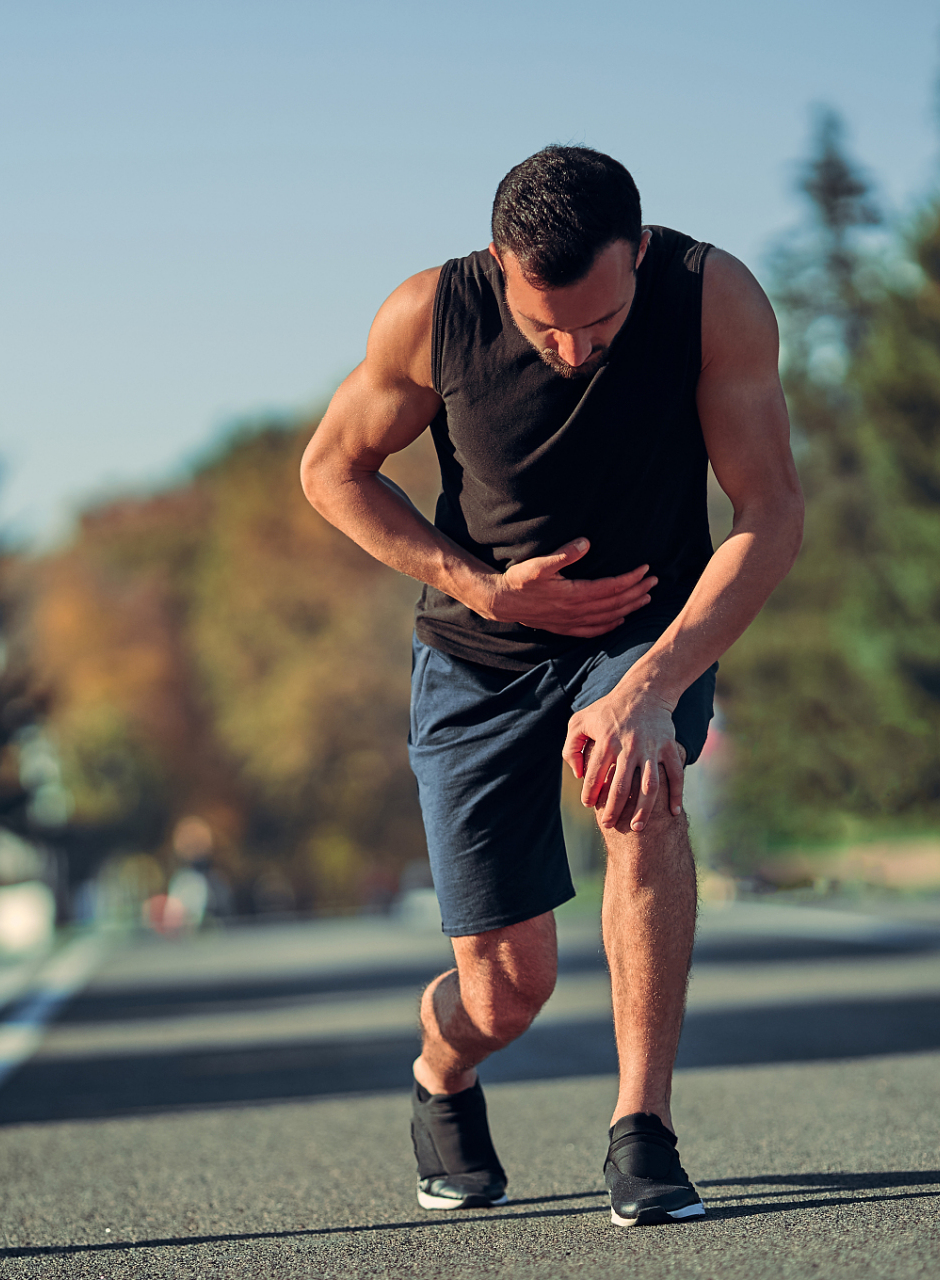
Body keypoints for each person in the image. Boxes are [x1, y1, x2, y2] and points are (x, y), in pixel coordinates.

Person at [299, 145, 802, 1227]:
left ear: (636, 254)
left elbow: (768, 513)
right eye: (545, 329)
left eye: (599, 326)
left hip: (641, 631)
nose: (573, 349)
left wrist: (655, 681)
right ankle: (441, 1075)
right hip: (477, 657)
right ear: (497, 265)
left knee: (643, 784)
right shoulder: (427, 316)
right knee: (506, 989)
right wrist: (475, 584)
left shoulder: (709, 299)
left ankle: (642, 1130)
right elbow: (329, 468)